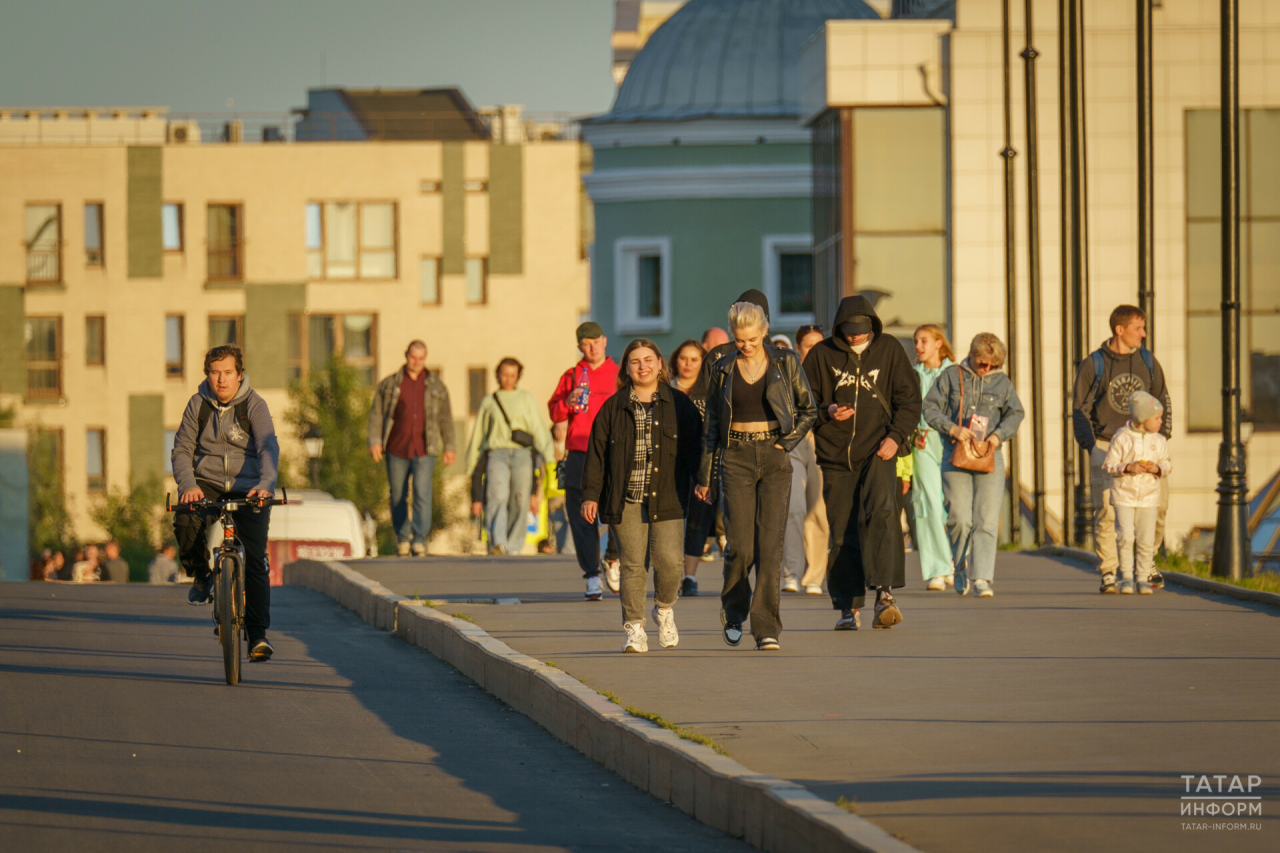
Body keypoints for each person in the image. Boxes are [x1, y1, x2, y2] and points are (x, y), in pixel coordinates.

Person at [696, 301, 816, 651]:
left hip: (775, 457)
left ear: (764, 332)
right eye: (739, 340)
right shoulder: (722, 368)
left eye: (751, 339)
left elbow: (808, 409)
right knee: (740, 547)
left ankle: (766, 628)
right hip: (736, 457)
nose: (746, 346)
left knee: (770, 546)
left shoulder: (785, 361)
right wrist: (705, 477)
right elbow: (712, 426)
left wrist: (786, 443)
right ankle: (734, 612)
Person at [803, 296, 920, 631]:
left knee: (882, 512)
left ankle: (884, 595)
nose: (855, 337)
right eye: (848, 331)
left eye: (861, 331)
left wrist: (895, 437)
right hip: (835, 456)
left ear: (872, 326)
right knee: (842, 530)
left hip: (879, 449)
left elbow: (909, 400)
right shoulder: (821, 355)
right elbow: (804, 401)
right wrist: (827, 411)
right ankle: (848, 605)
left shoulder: (890, 350)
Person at [583, 339, 702, 652]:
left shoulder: (679, 405)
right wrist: (590, 495)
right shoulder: (613, 407)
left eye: (648, 360)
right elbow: (596, 454)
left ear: (660, 364)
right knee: (633, 565)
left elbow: (696, 450)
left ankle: (664, 609)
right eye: (635, 361)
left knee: (670, 562)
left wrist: (704, 482)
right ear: (626, 368)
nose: (643, 366)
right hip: (627, 499)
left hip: (669, 496)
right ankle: (634, 629)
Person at [171, 344, 280, 661]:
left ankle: (258, 636)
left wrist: (265, 484)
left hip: (249, 486)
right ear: (208, 375)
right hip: (208, 483)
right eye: (215, 373)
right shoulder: (197, 405)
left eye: (228, 373)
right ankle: (202, 575)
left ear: (239, 374)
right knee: (185, 520)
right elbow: (182, 450)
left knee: (257, 560)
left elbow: (268, 447)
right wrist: (188, 485)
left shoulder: (254, 405)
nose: (221, 380)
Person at [1072, 305, 1172, 593]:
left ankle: (1146, 562)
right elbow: (1079, 408)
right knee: (1107, 511)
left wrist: (1161, 438)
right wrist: (1090, 447)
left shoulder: (1147, 361)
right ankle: (1109, 571)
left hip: (1147, 444)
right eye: (1138, 328)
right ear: (1120, 329)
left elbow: (1163, 397)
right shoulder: (1095, 363)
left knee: (1158, 506)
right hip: (1107, 444)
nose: (1143, 333)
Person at [923, 333, 1025, 597]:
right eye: (983, 364)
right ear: (972, 355)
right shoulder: (951, 376)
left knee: (986, 519)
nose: (987, 369)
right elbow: (930, 408)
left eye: (993, 365)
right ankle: (959, 565)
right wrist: (953, 429)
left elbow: (1016, 412)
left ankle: (982, 577)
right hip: (955, 452)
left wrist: (997, 435)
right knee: (958, 517)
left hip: (990, 453)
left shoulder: (1002, 382)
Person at [549, 322, 621, 600]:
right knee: (582, 517)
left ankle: (613, 558)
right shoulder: (572, 375)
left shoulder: (619, 374)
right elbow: (555, 413)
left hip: (613, 453)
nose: (591, 348)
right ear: (579, 347)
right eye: (585, 344)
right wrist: (567, 402)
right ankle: (591, 575)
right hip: (579, 452)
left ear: (604, 341)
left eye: (595, 342)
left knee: (618, 510)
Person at [369, 340, 457, 557]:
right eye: (412, 357)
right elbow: (377, 413)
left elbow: (445, 417)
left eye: (421, 358)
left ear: (425, 358)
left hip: (425, 448)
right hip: (397, 447)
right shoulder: (390, 384)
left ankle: (419, 539)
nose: (416, 362)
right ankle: (402, 538)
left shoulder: (436, 385)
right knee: (397, 495)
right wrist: (375, 440)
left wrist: (450, 446)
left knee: (422, 492)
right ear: (406, 355)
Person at [465, 358, 555, 556]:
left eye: (512, 375)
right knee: (497, 495)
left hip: (522, 454)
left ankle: (514, 545)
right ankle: (498, 542)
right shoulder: (489, 401)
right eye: (504, 374)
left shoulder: (526, 398)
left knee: (520, 498)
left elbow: (538, 428)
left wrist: (549, 457)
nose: (508, 379)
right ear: (498, 375)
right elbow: (479, 435)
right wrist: (471, 463)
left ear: (518, 377)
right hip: (497, 453)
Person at [1103, 392, 1171, 595]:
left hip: (1149, 498)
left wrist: (1157, 468)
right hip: (1124, 496)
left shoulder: (1159, 440)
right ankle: (1126, 577)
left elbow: (1167, 463)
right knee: (1125, 536)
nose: (1161, 422)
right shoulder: (1122, 437)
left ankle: (1142, 578)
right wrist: (1127, 467)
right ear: (1142, 418)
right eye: (1157, 418)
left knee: (1146, 539)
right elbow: (1109, 464)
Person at [911, 324, 957, 590]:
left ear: (939, 343)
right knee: (927, 504)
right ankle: (937, 570)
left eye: (924, 340)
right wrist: (911, 434)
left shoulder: (954, 373)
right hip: (923, 444)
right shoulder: (912, 374)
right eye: (917, 341)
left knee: (951, 504)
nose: (918, 346)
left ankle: (954, 560)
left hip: (951, 443)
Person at [670, 338, 710, 595]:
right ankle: (671, 573)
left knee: (698, 520)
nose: (688, 364)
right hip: (671, 464)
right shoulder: (664, 389)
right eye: (684, 358)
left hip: (702, 464)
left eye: (695, 359)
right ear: (675, 360)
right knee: (672, 520)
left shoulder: (709, 391)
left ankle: (690, 577)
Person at [794, 324, 829, 595]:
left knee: (818, 510)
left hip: (821, 441)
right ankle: (791, 572)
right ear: (798, 349)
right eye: (809, 346)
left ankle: (815, 575)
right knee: (793, 508)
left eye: (819, 345)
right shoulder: (788, 372)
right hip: (792, 442)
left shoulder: (831, 373)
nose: (815, 351)